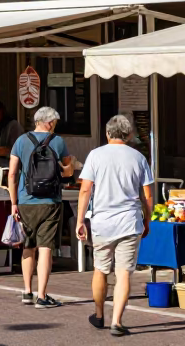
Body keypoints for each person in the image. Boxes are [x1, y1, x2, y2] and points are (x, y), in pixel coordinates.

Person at [77, 114, 154, 336]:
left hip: (102, 222)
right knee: (123, 273)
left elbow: (85, 189)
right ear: (129, 135)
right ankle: (117, 321)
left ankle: (99, 314)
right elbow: (147, 194)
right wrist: (147, 219)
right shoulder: (138, 157)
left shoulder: (95, 155)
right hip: (130, 222)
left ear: (108, 133)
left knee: (100, 269)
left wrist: (81, 220)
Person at [9, 106, 74, 309]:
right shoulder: (58, 142)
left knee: (28, 246)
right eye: (54, 122)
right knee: (45, 248)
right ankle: (42, 296)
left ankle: (27, 291)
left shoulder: (21, 141)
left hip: (26, 201)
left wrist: (13, 203)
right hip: (50, 202)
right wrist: (71, 164)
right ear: (49, 122)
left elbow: (12, 174)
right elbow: (67, 172)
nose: (55, 126)